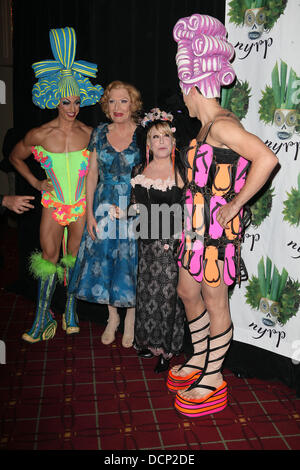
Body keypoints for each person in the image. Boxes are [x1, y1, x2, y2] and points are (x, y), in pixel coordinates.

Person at [167, 14, 279, 417]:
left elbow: (267, 158)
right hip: (194, 228)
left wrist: (236, 204)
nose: (182, 95)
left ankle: (213, 377)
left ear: (190, 86)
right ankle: (200, 357)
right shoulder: (204, 126)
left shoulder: (222, 125)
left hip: (216, 232)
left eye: (183, 88)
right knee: (186, 291)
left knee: (216, 302)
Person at [9, 26, 103, 343]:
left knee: (74, 258)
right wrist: (36, 181)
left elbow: (102, 169)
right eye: (66, 101)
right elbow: (14, 157)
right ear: (55, 101)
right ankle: (42, 318)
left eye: (76, 101)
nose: (72, 107)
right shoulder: (40, 134)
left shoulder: (91, 134)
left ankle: (71, 309)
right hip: (53, 204)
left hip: (79, 206)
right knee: (49, 258)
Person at [68, 81, 142, 348]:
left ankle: (131, 318)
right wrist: (88, 214)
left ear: (133, 104)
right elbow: (91, 175)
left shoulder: (144, 133)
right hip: (103, 205)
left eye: (123, 101)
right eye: (112, 101)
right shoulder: (99, 132)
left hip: (133, 206)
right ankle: (113, 318)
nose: (117, 107)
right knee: (107, 259)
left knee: (131, 263)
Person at [113, 109, 186, 373]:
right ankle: (148, 342)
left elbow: (187, 211)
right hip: (145, 243)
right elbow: (136, 206)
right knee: (147, 294)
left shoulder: (181, 171)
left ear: (173, 141)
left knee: (168, 298)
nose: (162, 141)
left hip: (170, 245)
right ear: (148, 143)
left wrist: (177, 239)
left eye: (166, 136)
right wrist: (123, 212)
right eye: (156, 137)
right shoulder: (139, 169)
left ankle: (167, 350)